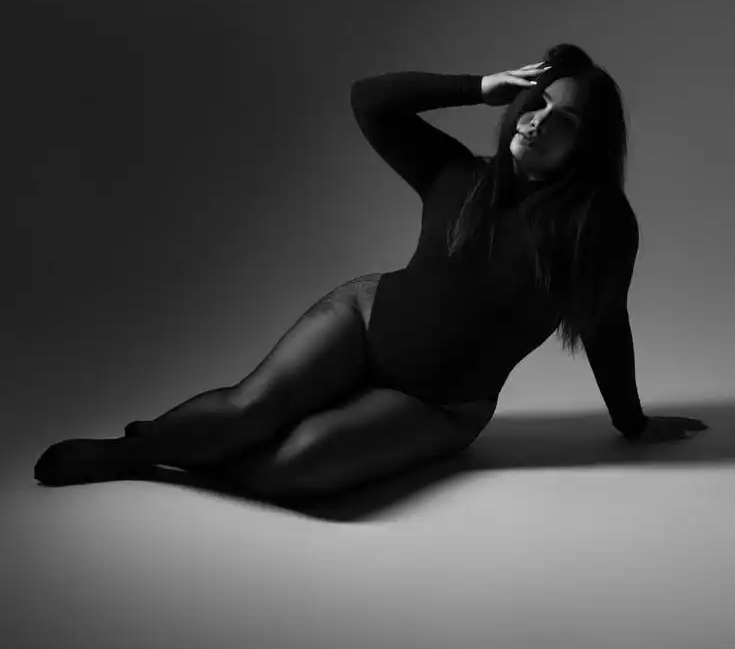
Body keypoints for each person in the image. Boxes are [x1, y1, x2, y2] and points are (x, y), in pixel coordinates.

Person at [33, 43, 708, 495]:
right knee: (248, 409)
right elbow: (369, 100)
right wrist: (476, 87)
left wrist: (631, 421)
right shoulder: (456, 175)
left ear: (588, 145)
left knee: (298, 465)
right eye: (533, 103)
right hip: (364, 318)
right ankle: (133, 453)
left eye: (562, 118)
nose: (534, 121)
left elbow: (603, 322)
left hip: (442, 405)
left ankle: (198, 453)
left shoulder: (599, 228)